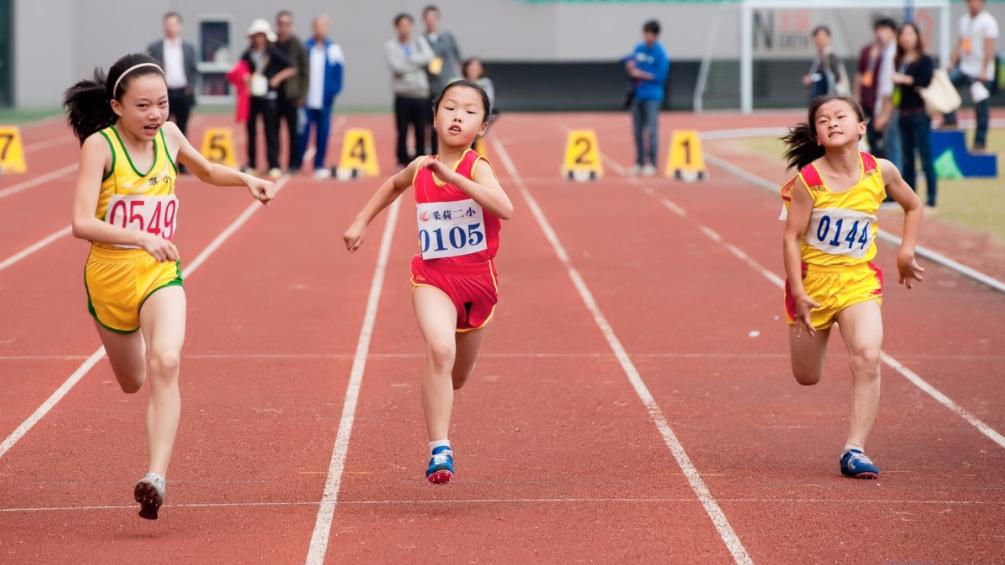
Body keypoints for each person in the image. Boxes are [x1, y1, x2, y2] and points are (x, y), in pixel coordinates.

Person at [63, 53, 276, 519]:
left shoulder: (171, 136)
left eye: (161, 104)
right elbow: (81, 223)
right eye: (143, 106)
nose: (155, 115)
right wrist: (141, 236)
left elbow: (205, 171)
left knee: (167, 359)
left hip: (160, 273)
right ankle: (134, 343)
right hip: (110, 277)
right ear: (117, 107)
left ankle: (155, 476)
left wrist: (245, 178)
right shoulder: (101, 147)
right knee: (133, 380)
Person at [343, 80, 513, 484]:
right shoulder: (421, 165)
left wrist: (456, 180)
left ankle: (442, 405)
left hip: (478, 285)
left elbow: (505, 207)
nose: (458, 116)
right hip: (433, 278)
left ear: (483, 127)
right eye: (450, 107)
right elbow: (393, 184)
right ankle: (440, 447)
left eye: (470, 111)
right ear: (435, 115)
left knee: (456, 377)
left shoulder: (478, 167)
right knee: (439, 349)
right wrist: (360, 220)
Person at [779, 94, 924, 480]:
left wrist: (905, 252)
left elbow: (913, 205)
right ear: (818, 136)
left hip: (859, 281)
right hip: (813, 286)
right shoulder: (808, 182)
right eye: (823, 120)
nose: (832, 123)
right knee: (806, 376)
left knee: (867, 355)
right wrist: (798, 290)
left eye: (840, 116)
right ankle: (808, 319)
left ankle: (854, 449)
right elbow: (791, 238)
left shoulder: (882, 171)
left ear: (861, 127)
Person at [240, 19, 295, 179]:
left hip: (269, 96)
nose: (258, 39)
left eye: (261, 35)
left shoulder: (273, 52)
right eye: (256, 35)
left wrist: (277, 78)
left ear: (266, 37)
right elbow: (240, 69)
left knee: (271, 131)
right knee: (250, 131)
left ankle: (274, 164)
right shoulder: (247, 53)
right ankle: (252, 164)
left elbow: (291, 68)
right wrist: (245, 77)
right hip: (252, 97)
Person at [893, 22, 938, 208]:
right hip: (902, 114)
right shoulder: (899, 60)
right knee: (907, 159)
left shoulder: (924, 59)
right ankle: (911, 200)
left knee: (926, 157)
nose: (906, 37)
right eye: (903, 34)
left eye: (910, 33)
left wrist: (903, 79)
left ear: (917, 36)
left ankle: (931, 199)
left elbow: (925, 81)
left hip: (919, 114)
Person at [945, 0, 999, 151]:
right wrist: (952, 61)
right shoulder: (964, 20)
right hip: (965, 68)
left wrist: (984, 69)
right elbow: (961, 43)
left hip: (982, 72)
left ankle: (980, 141)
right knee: (947, 85)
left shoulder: (988, 21)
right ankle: (950, 120)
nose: (972, 4)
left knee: (981, 107)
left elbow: (990, 47)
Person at [147, 12, 197, 172]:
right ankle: (162, 164)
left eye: (174, 24)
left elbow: (194, 70)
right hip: (163, 95)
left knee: (182, 131)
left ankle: (183, 165)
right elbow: (150, 70)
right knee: (160, 130)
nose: (170, 27)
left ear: (179, 27)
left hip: (183, 93)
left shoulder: (189, 48)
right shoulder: (155, 47)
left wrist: (191, 86)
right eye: (167, 24)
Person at [387, 13, 435, 168]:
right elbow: (396, 67)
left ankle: (420, 160)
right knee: (402, 130)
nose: (404, 28)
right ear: (396, 27)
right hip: (402, 95)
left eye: (407, 25)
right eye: (401, 25)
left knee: (421, 130)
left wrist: (409, 60)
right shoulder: (391, 46)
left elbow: (429, 57)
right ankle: (402, 160)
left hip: (420, 94)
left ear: (412, 26)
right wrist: (416, 66)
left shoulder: (419, 42)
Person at [300, 15, 345, 179]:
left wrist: (332, 92)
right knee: (302, 133)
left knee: (323, 133)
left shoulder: (333, 49)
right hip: (306, 101)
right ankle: (298, 164)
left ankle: (319, 164)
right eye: (318, 26)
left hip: (325, 101)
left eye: (323, 26)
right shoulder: (305, 47)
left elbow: (339, 73)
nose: (320, 29)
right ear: (313, 27)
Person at [624, 19, 669, 176]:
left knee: (651, 130)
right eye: (646, 33)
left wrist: (641, 74)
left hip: (653, 96)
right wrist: (630, 66)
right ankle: (639, 161)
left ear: (656, 35)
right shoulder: (638, 48)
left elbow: (661, 76)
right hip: (638, 94)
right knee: (637, 130)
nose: (648, 36)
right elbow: (630, 60)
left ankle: (652, 163)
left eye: (651, 33)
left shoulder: (660, 53)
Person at [422, 5, 462, 153]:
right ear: (424, 20)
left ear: (437, 19)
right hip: (431, 88)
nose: (430, 20)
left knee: (452, 120)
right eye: (428, 18)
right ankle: (434, 152)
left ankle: (453, 151)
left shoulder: (448, 37)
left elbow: (458, 57)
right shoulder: (422, 40)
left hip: (448, 86)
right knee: (433, 123)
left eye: (433, 17)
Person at [856, 18, 898, 159]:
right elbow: (860, 74)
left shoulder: (893, 52)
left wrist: (886, 113)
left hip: (887, 104)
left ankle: (889, 172)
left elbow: (890, 87)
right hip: (870, 101)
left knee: (889, 142)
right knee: (873, 138)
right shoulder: (869, 50)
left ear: (893, 32)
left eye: (885, 30)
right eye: (879, 30)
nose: (881, 34)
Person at [274, 10, 309, 173]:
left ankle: (294, 164)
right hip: (274, 95)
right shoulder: (272, 43)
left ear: (291, 26)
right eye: (281, 24)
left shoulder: (297, 44)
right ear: (277, 25)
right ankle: (274, 163)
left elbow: (304, 70)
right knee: (273, 131)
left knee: (293, 131)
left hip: (292, 95)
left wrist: (302, 94)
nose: (284, 27)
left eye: (287, 24)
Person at [803, 25, 849, 102]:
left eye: (822, 38)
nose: (820, 40)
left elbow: (836, 78)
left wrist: (812, 78)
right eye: (817, 38)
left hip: (830, 100)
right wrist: (810, 78)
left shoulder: (832, 57)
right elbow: (818, 77)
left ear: (829, 38)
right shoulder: (816, 59)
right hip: (817, 100)